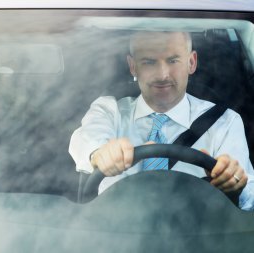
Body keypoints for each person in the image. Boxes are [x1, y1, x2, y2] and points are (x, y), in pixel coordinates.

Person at [68, 31, 254, 210]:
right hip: (115, 232)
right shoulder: (110, 110)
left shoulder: (224, 122)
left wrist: (235, 184)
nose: (162, 74)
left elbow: (249, 197)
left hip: (199, 235)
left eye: (173, 60)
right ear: (133, 66)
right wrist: (99, 153)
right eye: (149, 62)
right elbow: (85, 138)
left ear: (191, 62)